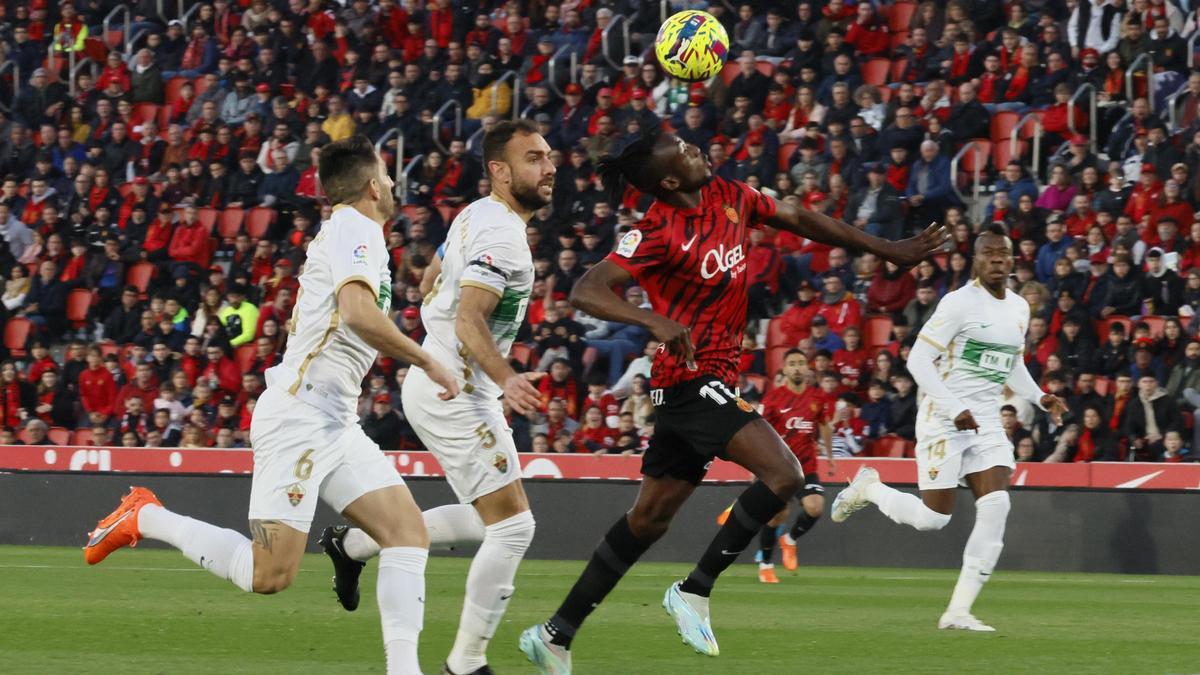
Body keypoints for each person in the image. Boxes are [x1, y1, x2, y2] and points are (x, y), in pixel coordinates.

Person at [519, 125, 946, 673]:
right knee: (786, 476)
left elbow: (798, 217)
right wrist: (652, 319)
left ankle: (555, 634)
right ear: (671, 179)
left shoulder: (732, 196)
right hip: (688, 381)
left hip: (707, 381)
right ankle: (694, 591)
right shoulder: (655, 230)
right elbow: (586, 289)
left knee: (648, 519)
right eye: (684, 151)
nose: (699, 147)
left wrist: (886, 248)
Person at [82, 135, 460, 675]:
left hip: (334, 419)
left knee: (406, 532)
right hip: (301, 420)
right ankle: (146, 515)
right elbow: (355, 311)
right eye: (389, 176)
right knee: (270, 575)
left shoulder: (352, 231)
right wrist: (425, 360)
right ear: (374, 184)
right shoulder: (357, 228)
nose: (396, 185)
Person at [321, 121, 549, 675]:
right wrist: (507, 374)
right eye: (535, 159)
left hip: (445, 382)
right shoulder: (501, 236)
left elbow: (429, 279)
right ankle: (465, 665)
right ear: (499, 170)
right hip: (457, 388)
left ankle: (353, 546)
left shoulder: (476, 214)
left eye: (548, 158)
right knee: (515, 527)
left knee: (486, 522)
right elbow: (470, 319)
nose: (549, 168)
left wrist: (438, 305)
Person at [832, 230, 1068, 633]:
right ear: (975, 261)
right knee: (932, 519)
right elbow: (919, 361)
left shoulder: (1017, 308)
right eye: (988, 254)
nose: (997, 260)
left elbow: (1010, 362)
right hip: (944, 418)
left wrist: (1041, 395)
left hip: (987, 422)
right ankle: (870, 488)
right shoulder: (958, 303)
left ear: (1012, 261)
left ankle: (958, 611)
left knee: (997, 506)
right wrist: (953, 406)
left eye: (1004, 254)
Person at [758, 349, 832, 583]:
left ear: (808, 367)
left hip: (806, 466)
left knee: (815, 507)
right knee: (777, 516)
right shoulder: (773, 399)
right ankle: (766, 566)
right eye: (792, 363)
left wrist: (830, 457)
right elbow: (761, 434)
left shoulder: (817, 397)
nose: (797, 367)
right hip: (780, 468)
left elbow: (825, 425)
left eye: (801, 363)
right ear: (785, 369)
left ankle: (789, 540)